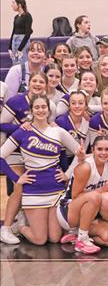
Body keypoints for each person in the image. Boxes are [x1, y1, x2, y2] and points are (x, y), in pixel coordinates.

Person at [0, 95, 83, 245]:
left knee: (54, 238)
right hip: (33, 190)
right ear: (31, 110)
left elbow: (79, 154)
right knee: (40, 240)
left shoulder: (58, 131)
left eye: (43, 107)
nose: (40, 110)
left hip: (55, 189)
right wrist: (17, 178)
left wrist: (67, 174)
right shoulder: (22, 131)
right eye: (36, 107)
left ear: (49, 110)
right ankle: (20, 227)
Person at [57, 136, 108, 254]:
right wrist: (102, 189)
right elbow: (75, 195)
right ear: (93, 150)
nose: (103, 153)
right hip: (69, 211)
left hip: (90, 213)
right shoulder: (86, 167)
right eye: (100, 149)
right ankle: (82, 240)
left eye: (107, 149)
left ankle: (78, 235)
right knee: (96, 196)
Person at [55, 90, 90, 165]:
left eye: (80, 103)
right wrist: (66, 174)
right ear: (69, 106)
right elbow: (60, 152)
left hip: (81, 159)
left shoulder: (88, 122)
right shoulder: (61, 121)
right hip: (63, 161)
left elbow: (85, 149)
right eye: (73, 103)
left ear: (86, 106)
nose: (77, 106)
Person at [8, 0, 32, 65]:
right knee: (15, 63)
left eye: (13, 3)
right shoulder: (16, 17)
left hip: (22, 42)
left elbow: (28, 33)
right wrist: (9, 47)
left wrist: (20, 49)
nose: (12, 5)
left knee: (23, 62)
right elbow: (13, 32)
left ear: (19, 4)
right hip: (14, 41)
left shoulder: (27, 16)